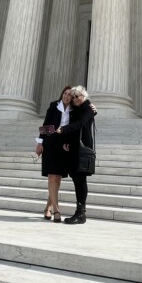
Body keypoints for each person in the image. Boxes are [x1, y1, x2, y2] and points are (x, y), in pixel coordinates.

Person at [55, 85, 95, 225]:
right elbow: (73, 124)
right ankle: (79, 212)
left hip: (82, 149)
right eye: (73, 97)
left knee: (81, 180)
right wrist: (66, 140)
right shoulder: (76, 109)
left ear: (84, 96)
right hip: (74, 148)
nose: (75, 99)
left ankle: (81, 213)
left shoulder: (88, 108)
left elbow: (80, 124)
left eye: (78, 96)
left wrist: (63, 130)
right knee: (76, 179)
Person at [35, 86, 73, 221]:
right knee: (51, 176)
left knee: (57, 178)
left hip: (63, 146)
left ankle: (47, 208)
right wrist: (39, 143)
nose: (66, 96)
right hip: (50, 144)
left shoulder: (73, 111)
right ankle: (57, 210)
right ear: (61, 94)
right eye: (65, 93)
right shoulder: (54, 106)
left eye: (69, 94)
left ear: (72, 98)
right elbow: (45, 125)